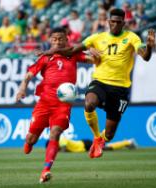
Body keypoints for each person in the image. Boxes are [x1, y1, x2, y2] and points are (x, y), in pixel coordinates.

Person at [36, 8, 155, 159]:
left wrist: (149, 47)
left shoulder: (132, 37)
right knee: (89, 103)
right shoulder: (97, 37)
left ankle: (102, 140)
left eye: (119, 22)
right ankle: (97, 137)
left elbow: (145, 57)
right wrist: (51, 52)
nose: (115, 25)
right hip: (100, 82)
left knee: (110, 134)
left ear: (123, 23)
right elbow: (72, 50)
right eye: (112, 22)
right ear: (108, 22)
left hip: (121, 88)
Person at [16, 27, 100, 183]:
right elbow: (29, 75)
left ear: (67, 40)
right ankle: (29, 143)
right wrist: (22, 88)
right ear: (50, 40)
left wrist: (94, 52)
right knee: (31, 138)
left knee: (55, 133)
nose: (57, 42)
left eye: (60, 39)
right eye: (54, 39)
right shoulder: (45, 58)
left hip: (63, 104)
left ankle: (46, 170)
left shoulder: (73, 54)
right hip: (44, 103)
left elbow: (94, 60)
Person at [46, 136, 138, 152]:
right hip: (84, 146)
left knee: (105, 148)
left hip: (85, 144)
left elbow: (64, 149)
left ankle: (128, 142)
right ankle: (126, 143)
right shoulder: (60, 141)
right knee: (105, 146)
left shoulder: (61, 140)